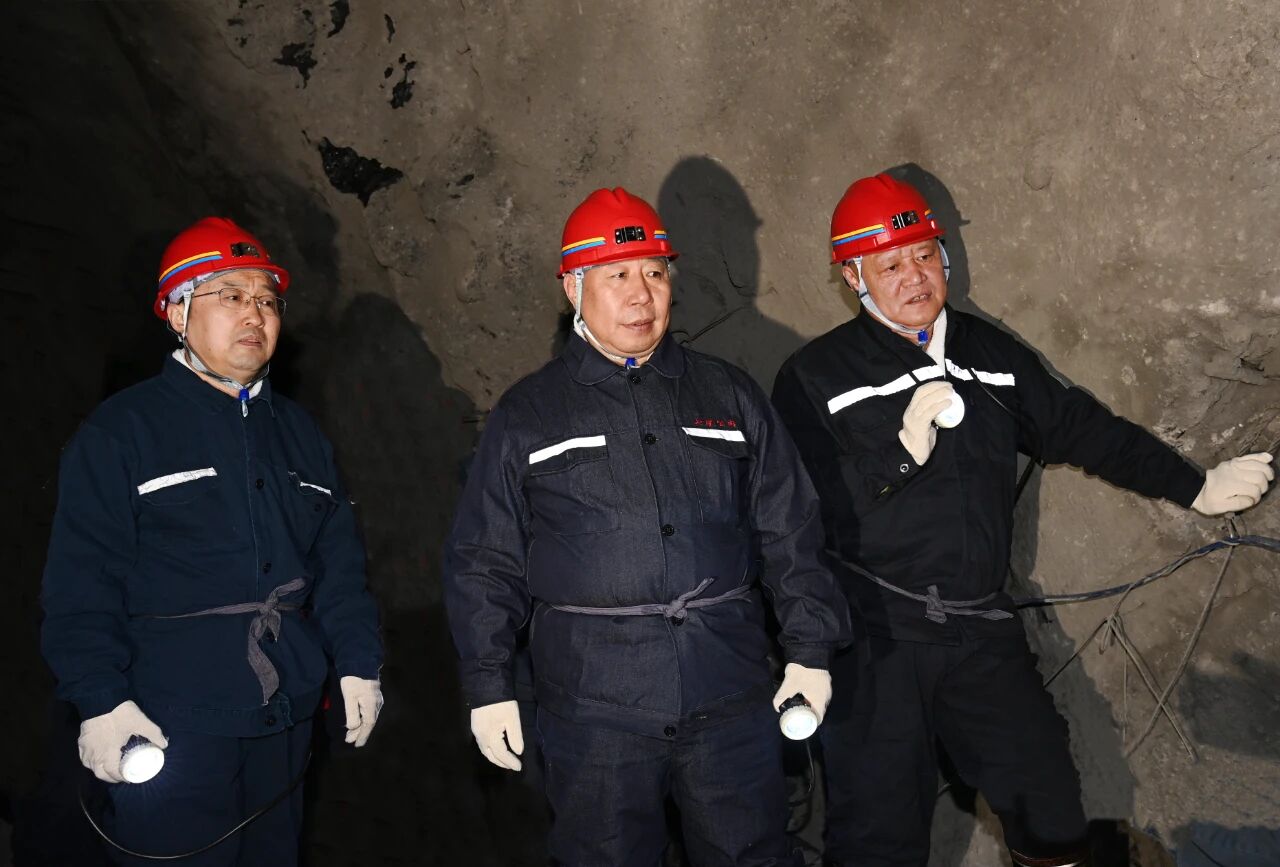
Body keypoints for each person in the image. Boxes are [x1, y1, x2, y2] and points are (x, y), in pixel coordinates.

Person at [772, 173, 1274, 867]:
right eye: (890, 265)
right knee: (876, 836)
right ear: (853, 277)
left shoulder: (990, 356)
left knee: (1050, 809)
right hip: (875, 636)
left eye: (924, 255)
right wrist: (899, 455)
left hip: (979, 625)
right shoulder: (815, 376)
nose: (914, 276)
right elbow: (794, 513)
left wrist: (1196, 486)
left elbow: (1083, 428)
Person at [443, 187, 852, 866]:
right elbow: (485, 558)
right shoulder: (528, 415)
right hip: (596, 711)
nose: (641, 295)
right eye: (617, 275)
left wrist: (809, 649)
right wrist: (488, 685)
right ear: (574, 288)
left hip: (729, 695)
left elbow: (790, 527)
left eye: (655, 273)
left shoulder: (728, 394)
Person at [41, 217, 385, 865]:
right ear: (177, 313)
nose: (254, 313)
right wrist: (101, 700)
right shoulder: (122, 432)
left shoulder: (303, 437)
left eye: (267, 300)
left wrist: (358, 661)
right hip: (168, 722)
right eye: (230, 295)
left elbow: (339, 566)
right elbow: (81, 582)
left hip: (284, 723)